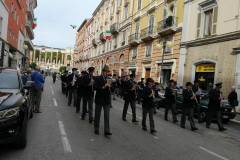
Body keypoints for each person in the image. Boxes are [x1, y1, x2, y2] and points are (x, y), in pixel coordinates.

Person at [94, 65, 112, 136]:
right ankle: (96, 128)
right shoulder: (98, 78)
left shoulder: (109, 79)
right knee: (97, 115)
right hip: (99, 99)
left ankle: (106, 130)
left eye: (107, 72)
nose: (107, 73)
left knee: (107, 116)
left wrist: (110, 87)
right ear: (103, 72)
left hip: (106, 100)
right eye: (105, 72)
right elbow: (95, 87)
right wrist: (104, 86)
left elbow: (111, 90)